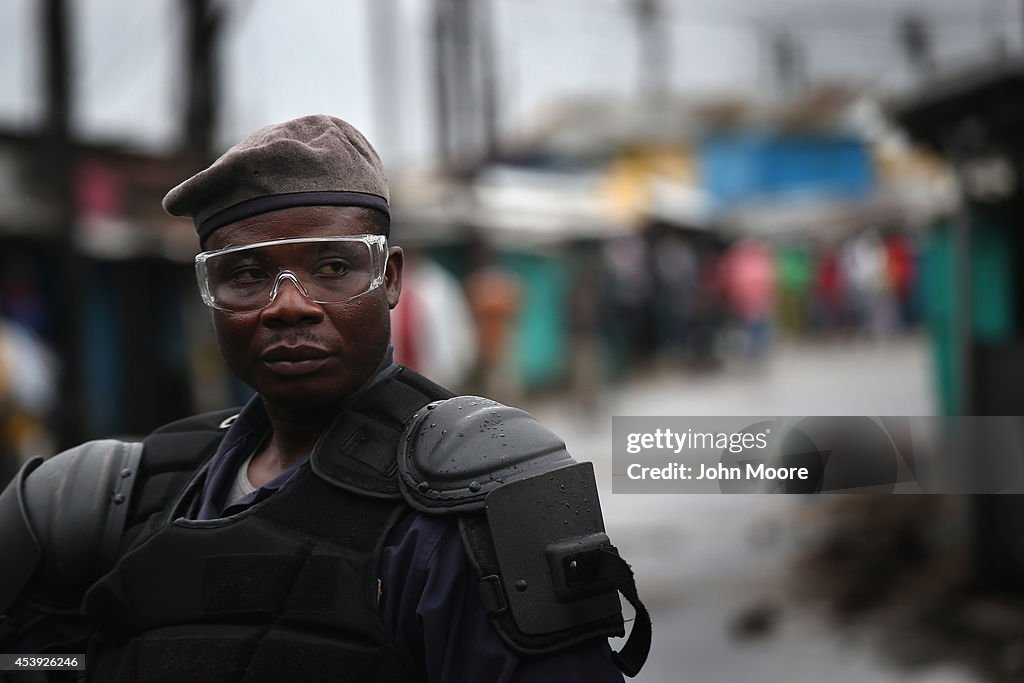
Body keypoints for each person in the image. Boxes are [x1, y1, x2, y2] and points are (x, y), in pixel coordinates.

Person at [0, 115, 649, 682]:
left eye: (333, 267)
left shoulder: (485, 494)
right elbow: (40, 662)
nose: (289, 304)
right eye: (247, 275)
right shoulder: (130, 496)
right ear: (210, 294)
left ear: (389, 277)